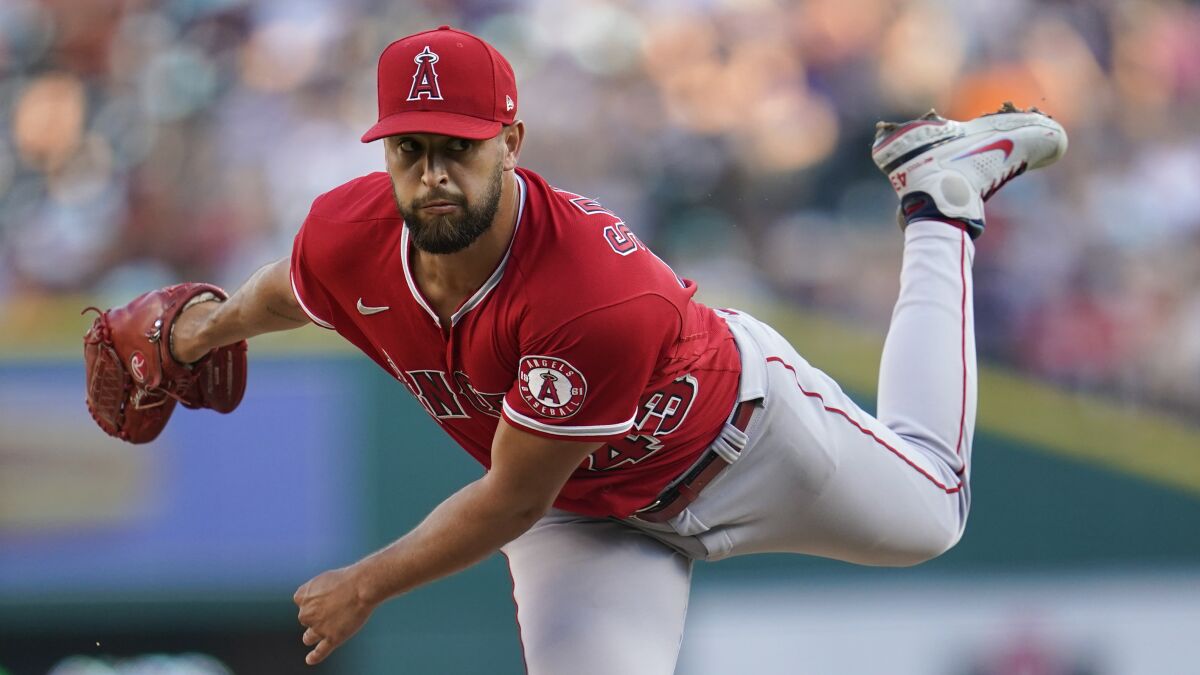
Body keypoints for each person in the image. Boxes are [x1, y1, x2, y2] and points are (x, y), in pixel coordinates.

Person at [163, 26, 1066, 673]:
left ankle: (938, 200)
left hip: (735, 447)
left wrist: (366, 582)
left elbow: (511, 500)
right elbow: (291, 290)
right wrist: (196, 329)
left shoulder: (590, 291)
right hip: (584, 516)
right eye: (410, 150)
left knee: (934, 513)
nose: (432, 173)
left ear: (509, 143)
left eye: (458, 148)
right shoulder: (344, 229)